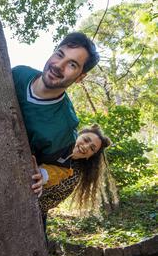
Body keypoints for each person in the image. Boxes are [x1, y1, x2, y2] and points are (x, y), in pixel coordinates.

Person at [12, 32, 100, 174]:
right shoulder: (18, 74)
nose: (59, 65)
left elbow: (60, 168)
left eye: (72, 64)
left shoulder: (64, 128)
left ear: (80, 77)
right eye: (59, 54)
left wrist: (43, 175)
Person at [38, 124, 111, 237]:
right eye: (86, 140)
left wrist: (39, 185)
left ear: (90, 156)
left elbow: (49, 201)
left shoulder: (73, 175)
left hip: (34, 213)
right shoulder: (54, 141)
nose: (86, 146)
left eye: (92, 148)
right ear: (77, 135)